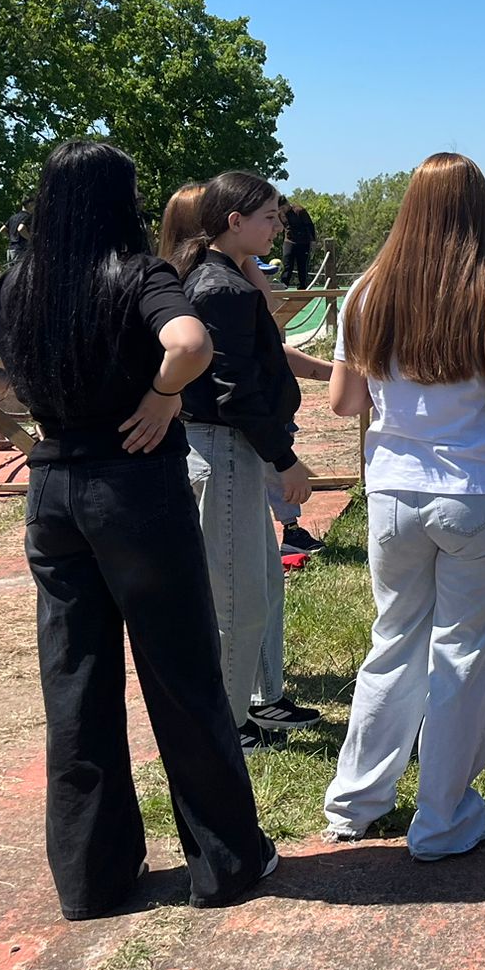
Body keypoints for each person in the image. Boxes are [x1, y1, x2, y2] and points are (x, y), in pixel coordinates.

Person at [0, 140, 275, 919]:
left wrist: (22, 384)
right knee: (181, 676)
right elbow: (189, 344)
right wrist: (162, 395)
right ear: (120, 200)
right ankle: (225, 863)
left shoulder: (18, 282)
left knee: (75, 682)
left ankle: (92, 880)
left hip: (53, 491)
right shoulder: (140, 273)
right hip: (135, 487)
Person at [321, 153, 485, 858]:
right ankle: (443, 817)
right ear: (477, 210)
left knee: (393, 641)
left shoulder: (366, 291)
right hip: (477, 494)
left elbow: (343, 402)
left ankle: (354, 803)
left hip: (393, 493)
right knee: (462, 654)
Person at [170, 173, 322, 750]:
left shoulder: (223, 278)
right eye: (269, 217)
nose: (279, 227)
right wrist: (285, 460)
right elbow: (234, 390)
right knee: (237, 599)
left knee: (258, 587)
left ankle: (254, 705)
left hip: (230, 450)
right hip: (225, 450)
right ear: (235, 222)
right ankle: (229, 727)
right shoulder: (221, 289)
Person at [3, 199, 34, 268]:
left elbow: (2, 230)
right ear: (29, 204)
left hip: (11, 249)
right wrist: (31, 239)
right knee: (22, 272)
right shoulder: (28, 217)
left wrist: (11, 237)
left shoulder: (13, 217)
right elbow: (21, 229)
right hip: (21, 249)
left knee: (11, 273)